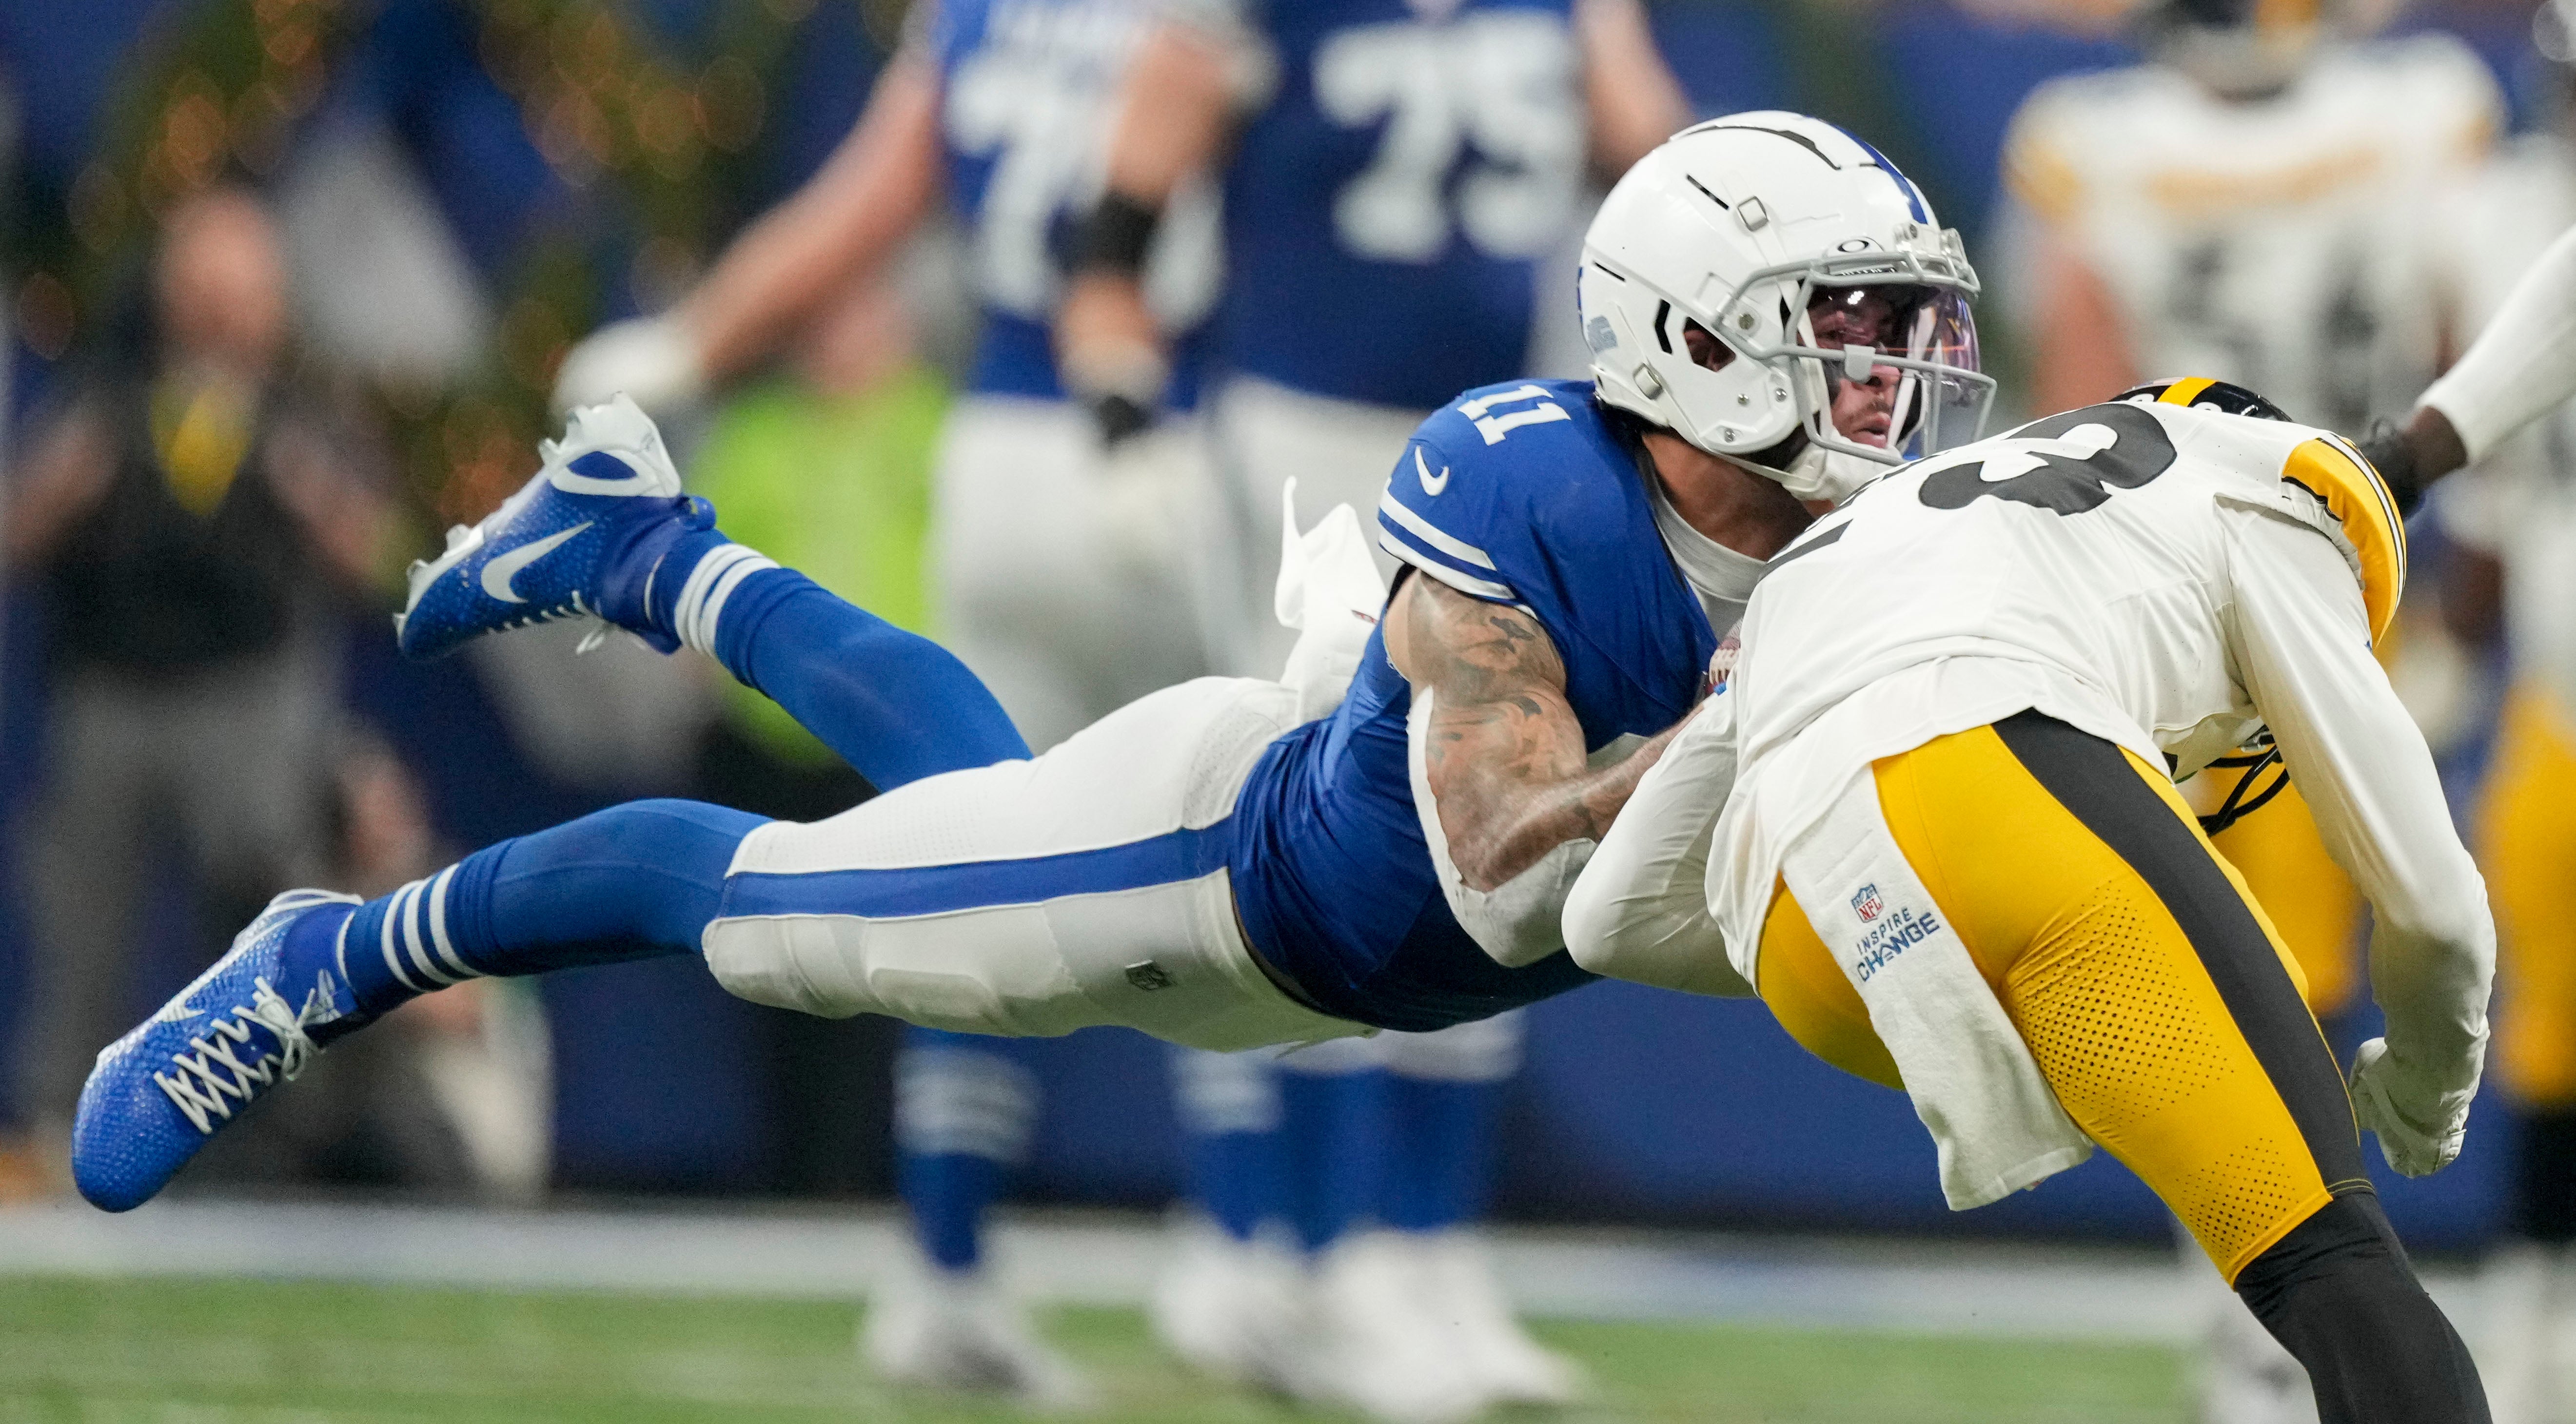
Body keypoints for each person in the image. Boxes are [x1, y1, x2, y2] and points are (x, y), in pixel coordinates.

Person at [69, 115, 1989, 1336]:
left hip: (1311, 950)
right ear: (1697, 336)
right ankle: (324, 956)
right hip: (1205, 878)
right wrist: (1742, 732)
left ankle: (647, 551)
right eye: (1851, 327)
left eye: (1908, 332)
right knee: (769, 906)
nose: (1898, 384)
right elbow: (1500, 856)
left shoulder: (1845, 545)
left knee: (968, 801)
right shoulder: (1534, 488)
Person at [1567, 378, 2492, 1424]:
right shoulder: (2267, 497)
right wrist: (2430, 1086)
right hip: (2017, 797)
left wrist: (1883, 926)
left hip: (1808, 948)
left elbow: (1607, 920)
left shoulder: (1863, 539)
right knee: (2330, 1267)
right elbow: (2433, 902)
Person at [550, 0, 1216, 1400]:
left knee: (990, 859)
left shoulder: (981, 22)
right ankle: (1265, 1245)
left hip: (999, 465)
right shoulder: (1197, 24)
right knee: (1248, 847)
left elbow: (853, 213)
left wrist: (685, 348)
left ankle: (946, 1265)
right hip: (1162, 429)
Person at [1054, 4, 1686, 1401]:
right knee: (1328, 831)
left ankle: (1422, 1251)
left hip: (1502, 451)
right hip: (1300, 450)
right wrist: (1116, 408)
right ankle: (1292, 1242)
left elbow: (1668, 178)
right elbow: (1115, 217)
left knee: (1512, 829)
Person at [1995, 10, 2499, 1411]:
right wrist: (2455, 599)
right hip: (2359, 574)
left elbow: (2075, 400)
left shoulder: (2086, 139)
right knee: (2381, 951)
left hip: (2193, 606)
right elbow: (2459, 349)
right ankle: (2319, 1324)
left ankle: (2254, 1327)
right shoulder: (2420, 106)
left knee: (2232, 981)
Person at [4, 183, 390, 1190]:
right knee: (83, 912)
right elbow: (20, 528)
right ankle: (57, 1129)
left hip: (249, 692)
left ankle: (286, 1138)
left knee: (268, 906)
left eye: (239, 289)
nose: (219, 310)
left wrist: (315, 493)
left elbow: (377, 557)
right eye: (202, 285)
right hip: (114, 689)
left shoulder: (309, 414)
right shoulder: (108, 398)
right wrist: (61, 488)